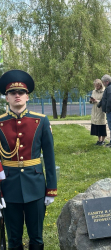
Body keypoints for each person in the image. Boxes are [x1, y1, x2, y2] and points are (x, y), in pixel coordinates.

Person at [0, 70, 57, 250]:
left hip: (35, 186)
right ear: (6, 98)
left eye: (21, 92)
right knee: (14, 239)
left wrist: (51, 189)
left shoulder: (40, 121)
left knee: (37, 238)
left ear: (27, 97)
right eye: (12, 93)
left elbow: (49, 157)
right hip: (8, 187)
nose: (17, 95)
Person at [90, 79, 107, 145]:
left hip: (101, 109)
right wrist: (91, 100)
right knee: (96, 125)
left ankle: (103, 140)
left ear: (100, 85)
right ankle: (99, 140)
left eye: (97, 86)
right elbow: (92, 99)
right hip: (95, 109)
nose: (96, 87)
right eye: (95, 86)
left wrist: (97, 101)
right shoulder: (94, 91)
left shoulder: (104, 91)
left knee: (102, 125)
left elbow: (104, 101)